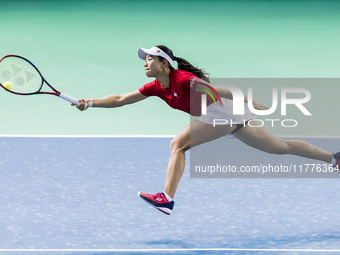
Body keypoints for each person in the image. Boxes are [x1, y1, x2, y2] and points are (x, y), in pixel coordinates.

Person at [73, 45, 340, 215]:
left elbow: (215, 91)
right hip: (229, 115)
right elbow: (121, 99)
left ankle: (166, 198)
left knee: (177, 145)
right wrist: (91, 103)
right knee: (279, 147)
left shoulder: (184, 79)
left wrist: (246, 99)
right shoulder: (156, 87)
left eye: (150, 59)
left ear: (164, 63)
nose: (145, 63)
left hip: (222, 112)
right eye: (144, 60)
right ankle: (334, 158)